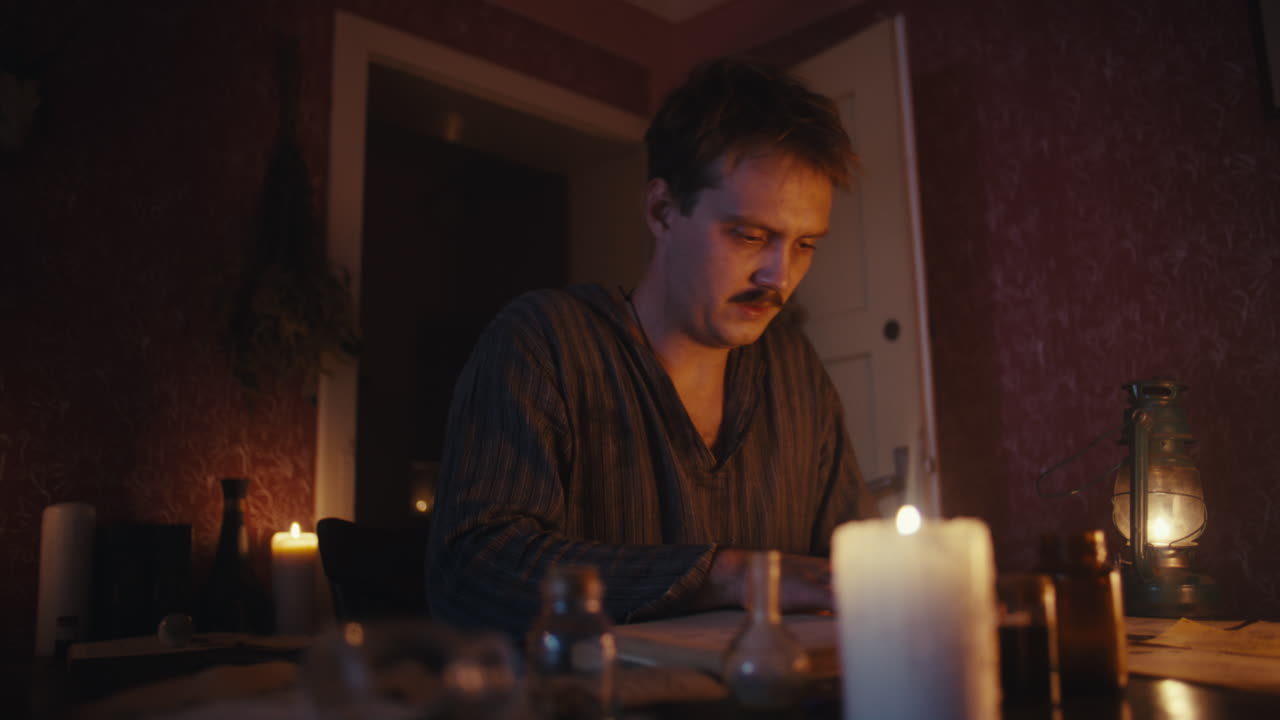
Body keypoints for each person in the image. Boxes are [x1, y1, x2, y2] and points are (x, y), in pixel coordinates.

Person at [425, 56, 875, 638]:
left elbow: (851, 565)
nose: (778, 276)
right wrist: (730, 575)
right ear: (662, 210)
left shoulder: (794, 371)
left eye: (806, 243)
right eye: (750, 235)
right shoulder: (543, 343)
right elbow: (473, 569)